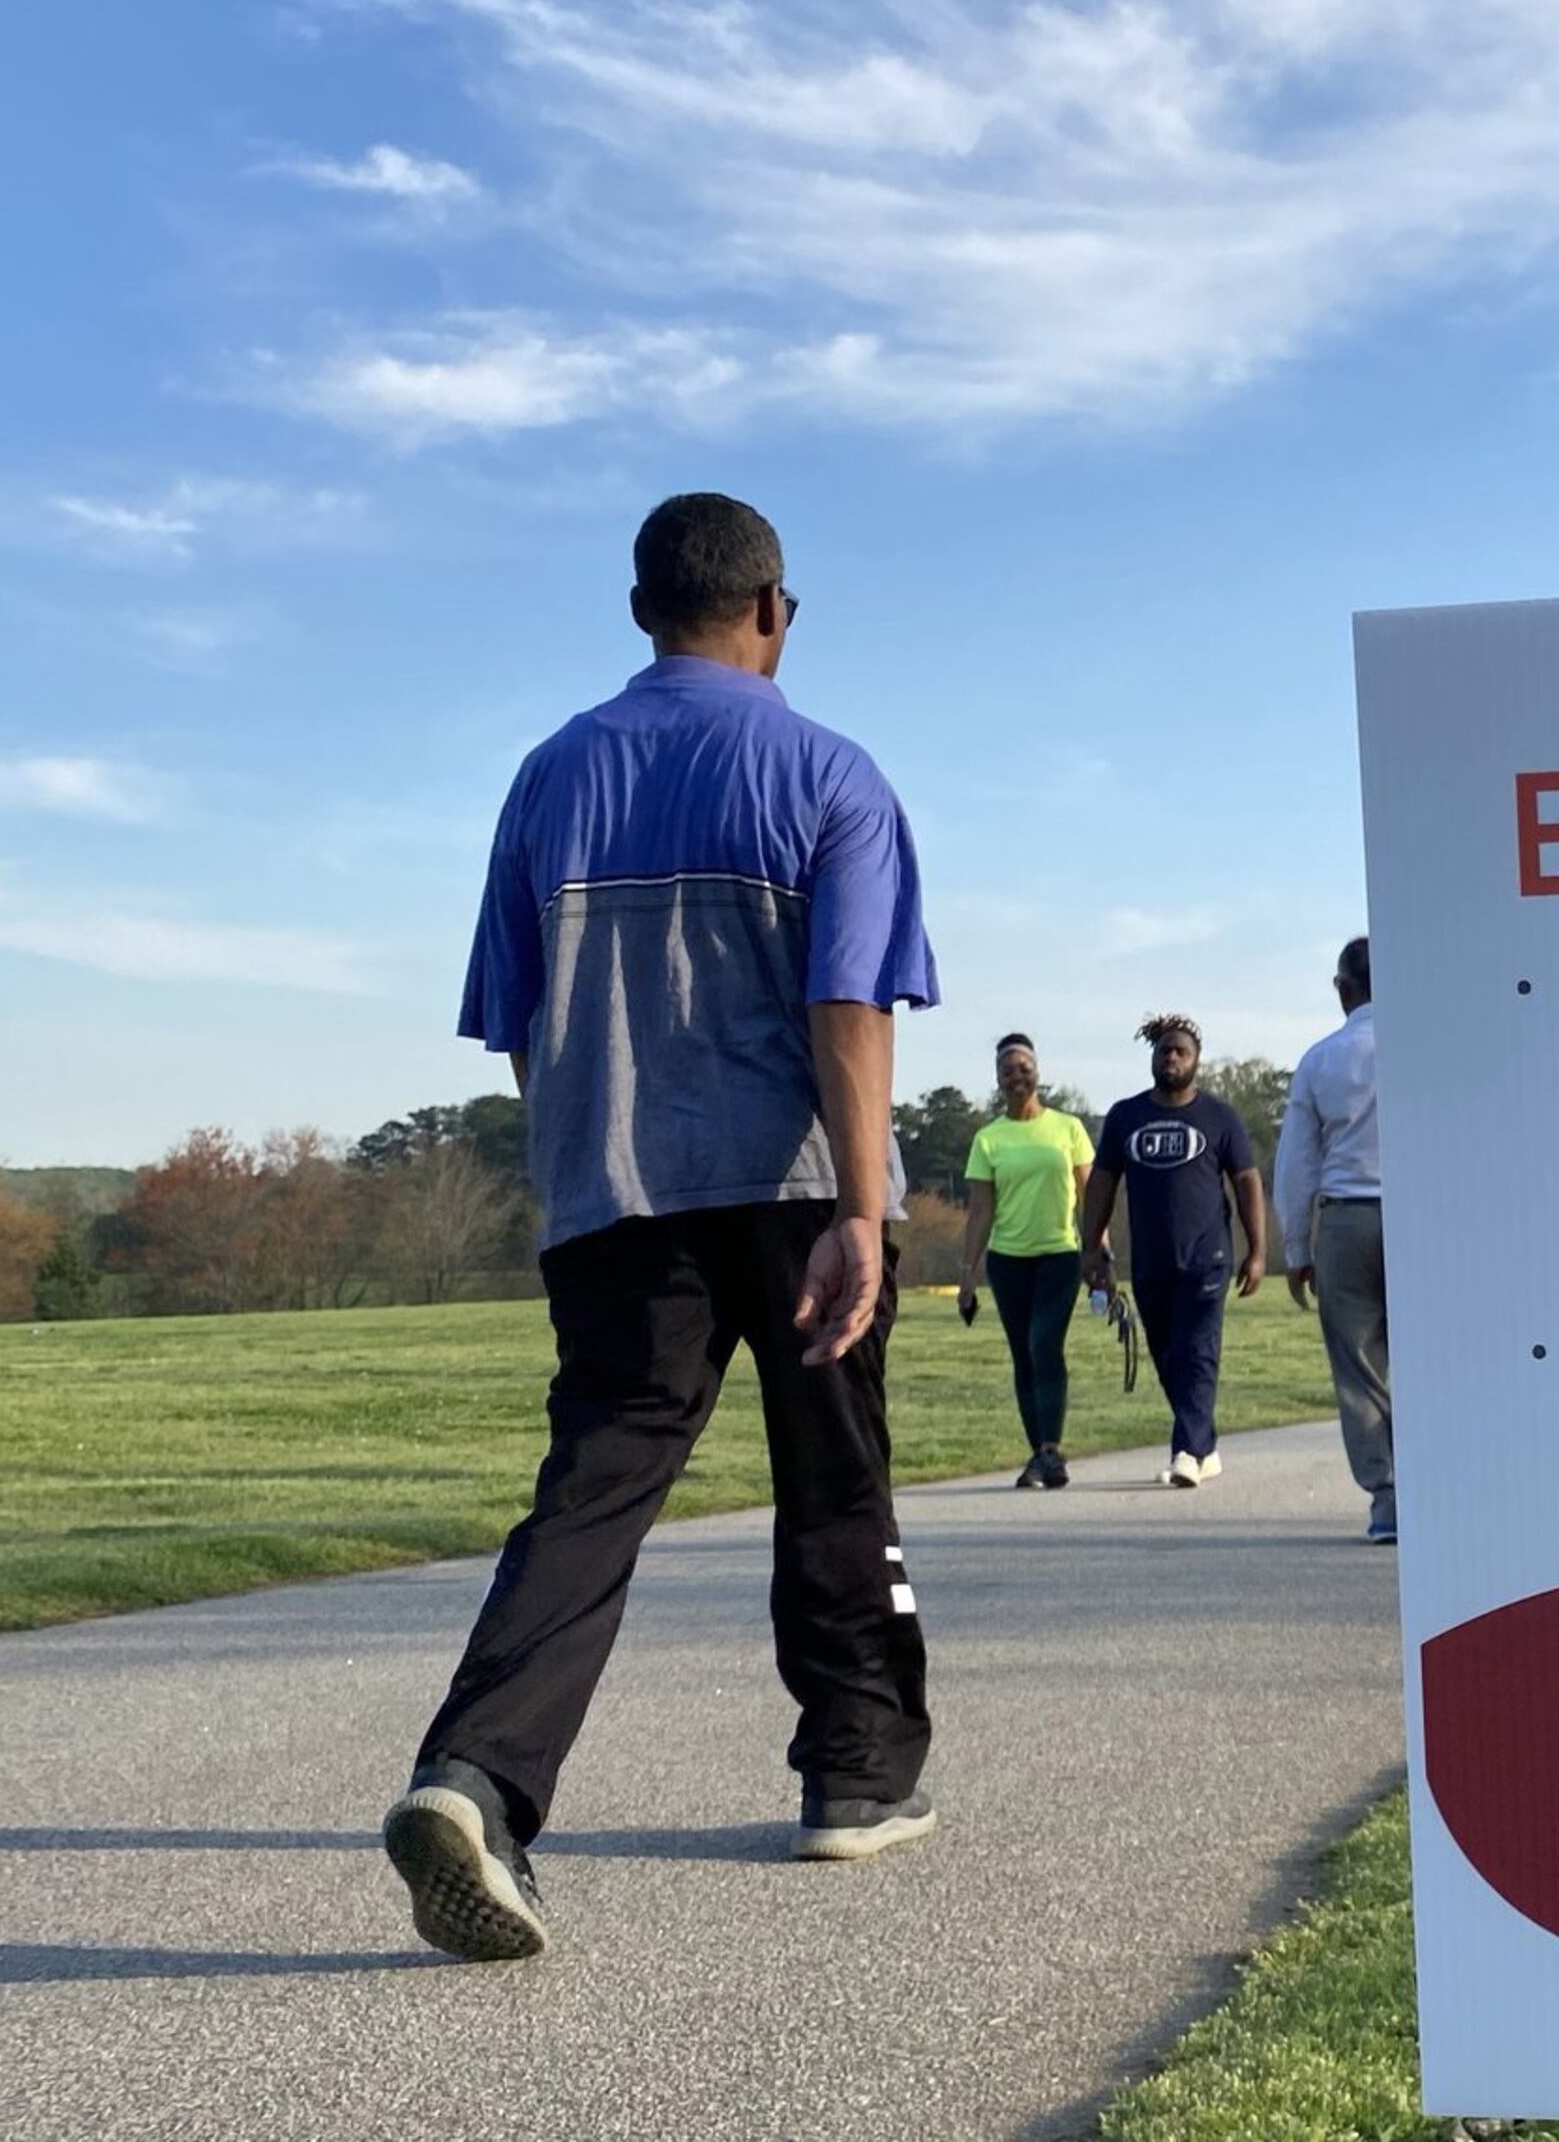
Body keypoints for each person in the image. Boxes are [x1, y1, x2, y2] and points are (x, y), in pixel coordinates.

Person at [386, 492, 943, 1967]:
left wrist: (584, 1169)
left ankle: (476, 1778)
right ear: (774, 611)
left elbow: (522, 1023)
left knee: (592, 1493)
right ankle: (856, 1775)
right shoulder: (829, 771)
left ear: (641, 611)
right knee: (834, 1476)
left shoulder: (548, 778)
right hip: (797, 1188)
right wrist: (863, 1208)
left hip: (615, 1196)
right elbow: (848, 1004)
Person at [1079, 1014, 1266, 1488]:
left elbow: (1246, 1180)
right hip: (1151, 1259)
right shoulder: (1126, 1116)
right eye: (1165, 1050)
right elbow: (1101, 1183)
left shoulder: (1219, 1116)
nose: (1172, 1058)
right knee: (1167, 1356)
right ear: (1153, 1057)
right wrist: (1091, 1247)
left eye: (1182, 1051)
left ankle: (1186, 1451)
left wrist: (1257, 1249)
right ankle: (1205, 1446)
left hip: (1207, 1257)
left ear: (1197, 1061)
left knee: (1197, 1351)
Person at [1275, 937, 1391, 1543]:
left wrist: (1297, 1248)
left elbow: (1298, 1165)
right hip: (1420, 1219)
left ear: (1343, 989)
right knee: (1427, 1360)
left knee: (1358, 1365)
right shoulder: (1427, 1046)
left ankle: (1387, 1498)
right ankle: (1438, 1486)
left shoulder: (1321, 1059)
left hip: (1348, 1219)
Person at [955, 1031, 1094, 1490]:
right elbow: (980, 1211)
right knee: (1022, 1354)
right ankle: (1039, 1453)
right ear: (998, 1079)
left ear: (1037, 1072)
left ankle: (1051, 1450)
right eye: (1007, 1071)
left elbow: (1090, 1197)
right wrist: (968, 1273)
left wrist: (1100, 1251)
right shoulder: (988, 1139)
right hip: (1008, 1261)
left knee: (1043, 1344)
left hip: (1059, 1255)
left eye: (1023, 1068)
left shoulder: (1068, 1129)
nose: (1016, 1076)